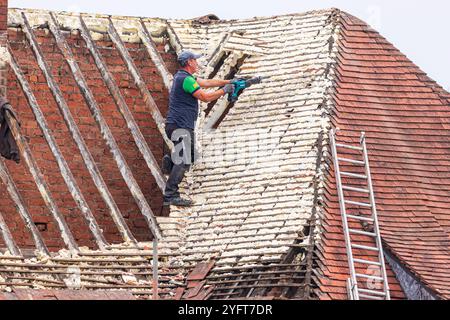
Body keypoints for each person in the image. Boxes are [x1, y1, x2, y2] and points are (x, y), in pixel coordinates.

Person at [162, 50, 235, 207]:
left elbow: (206, 83)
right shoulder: (186, 80)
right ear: (189, 62)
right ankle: (170, 195)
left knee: (192, 154)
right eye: (195, 60)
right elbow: (205, 97)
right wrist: (225, 91)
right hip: (180, 126)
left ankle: (169, 162)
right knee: (185, 158)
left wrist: (229, 81)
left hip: (176, 126)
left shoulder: (184, 78)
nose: (197, 63)